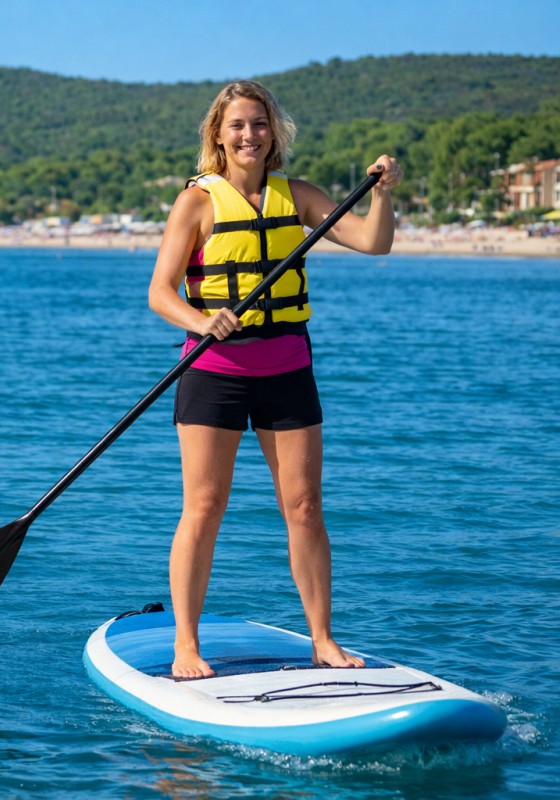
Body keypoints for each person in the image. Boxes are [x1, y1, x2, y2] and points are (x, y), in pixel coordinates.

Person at [147, 80, 403, 678]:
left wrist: (383, 194)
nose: (249, 135)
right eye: (237, 125)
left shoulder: (300, 196)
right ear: (218, 133)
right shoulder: (197, 202)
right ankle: (187, 645)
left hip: (288, 370)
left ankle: (323, 639)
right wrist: (201, 319)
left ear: (273, 132)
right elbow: (160, 293)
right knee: (204, 506)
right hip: (214, 372)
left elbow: (373, 241)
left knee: (305, 506)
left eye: (259, 124)